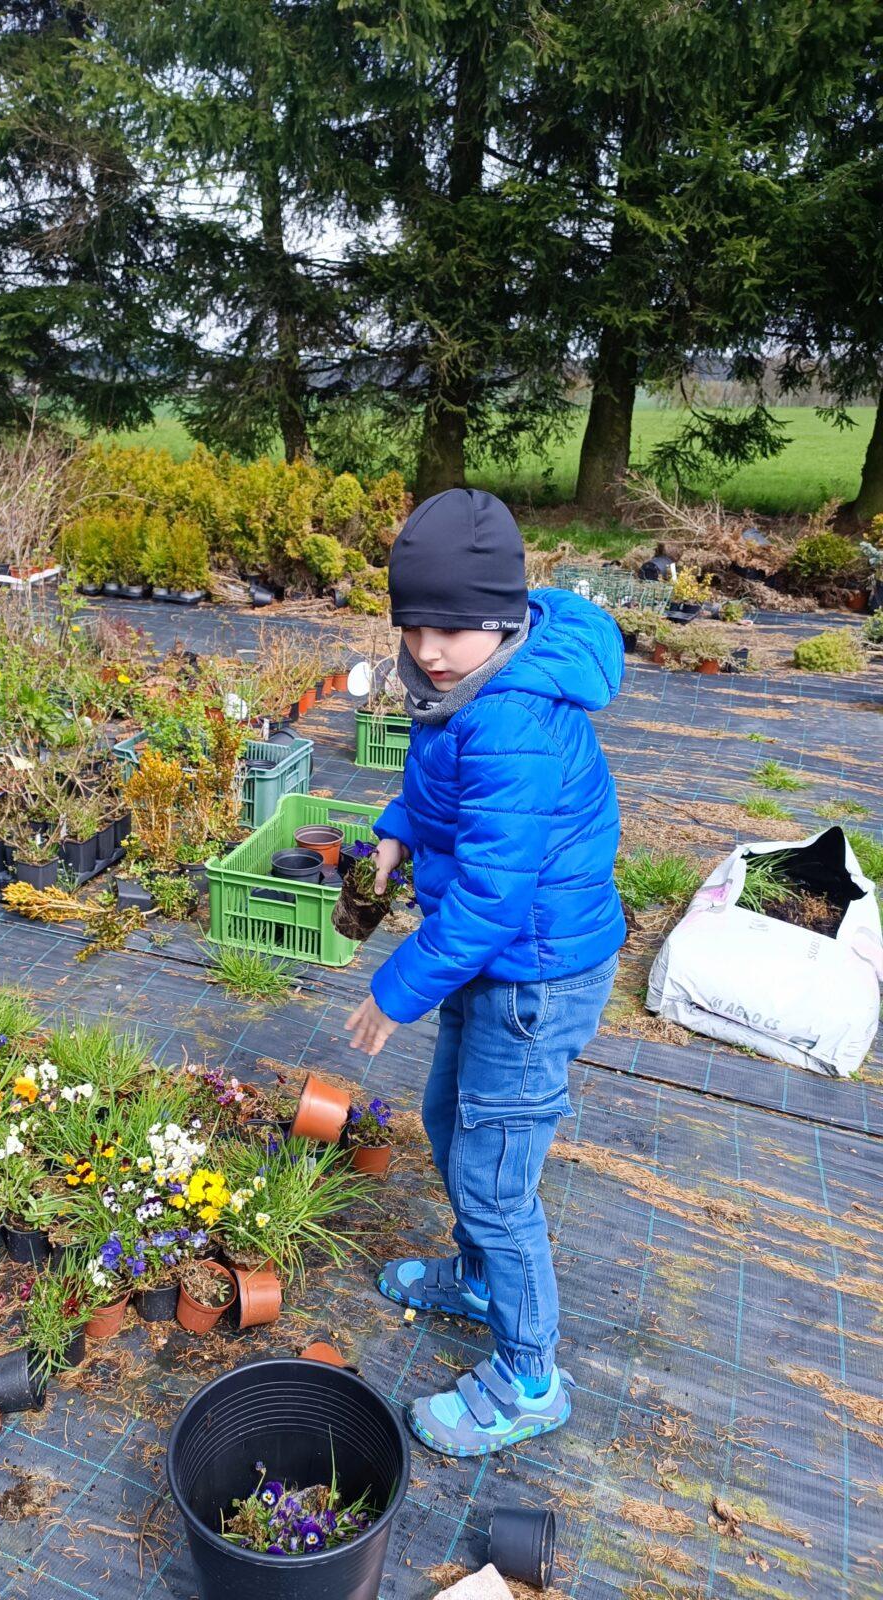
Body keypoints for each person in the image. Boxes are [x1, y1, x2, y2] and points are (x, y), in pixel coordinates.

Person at [344, 487, 625, 1458]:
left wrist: (394, 988)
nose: (429, 647)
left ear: (503, 616)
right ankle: (474, 1276)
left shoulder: (512, 720)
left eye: (453, 626)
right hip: (495, 957)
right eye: (414, 623)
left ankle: (531, 1373)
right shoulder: (465, 684)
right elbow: (439, 788)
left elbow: (496, 896)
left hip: (531, 974)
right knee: (443, 1116)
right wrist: (393, 833)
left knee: (498, 1178)